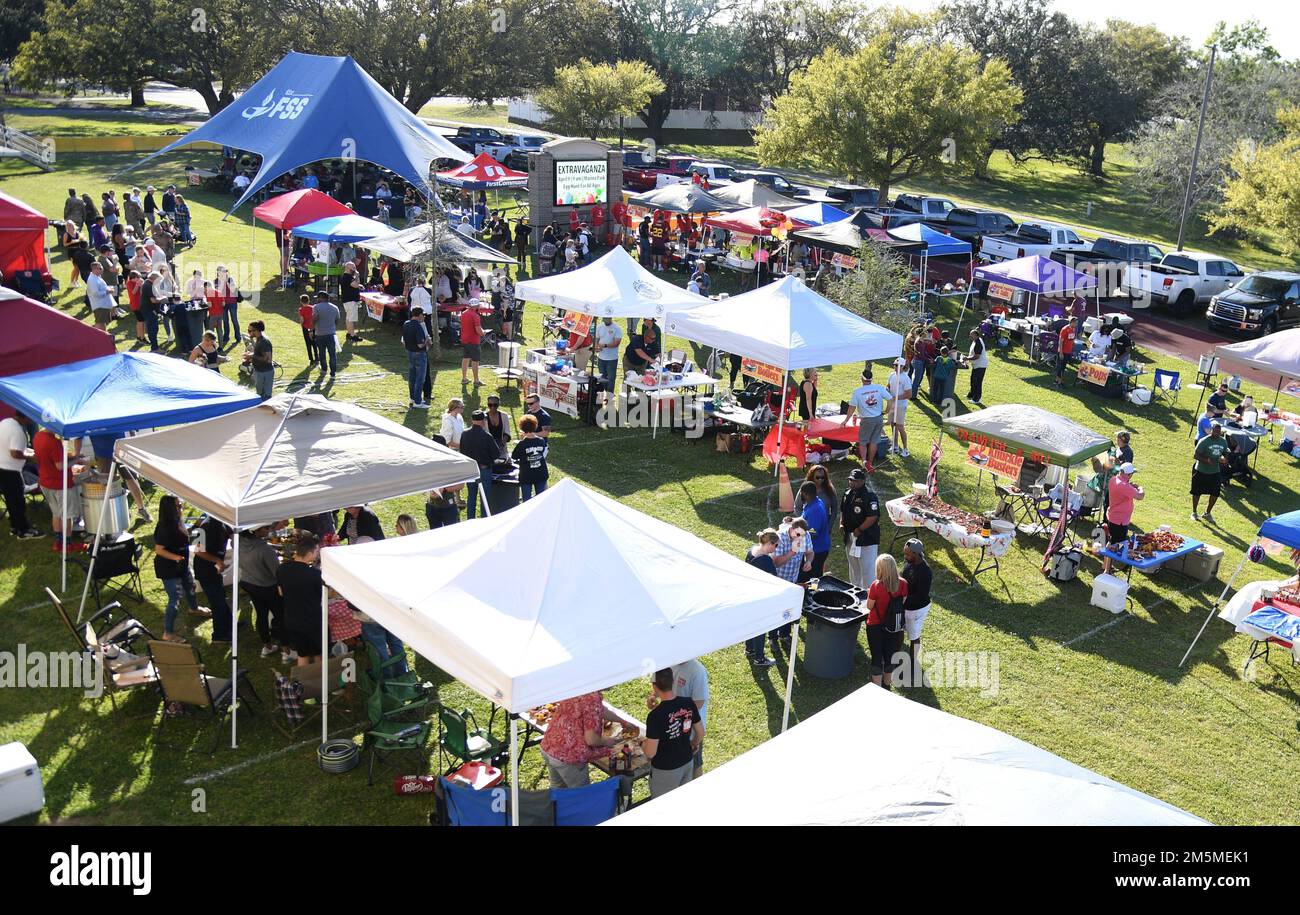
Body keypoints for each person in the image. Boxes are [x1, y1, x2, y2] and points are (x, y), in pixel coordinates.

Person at [539, 690, 634, 788]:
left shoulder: (583, 688)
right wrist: (606, 741)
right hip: (569, 756)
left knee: (558, 792)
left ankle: (556, 803)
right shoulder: (592, 698)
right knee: (581, 796)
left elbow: (599, 709)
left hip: (550, 745)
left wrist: (622, 721)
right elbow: (591, 740)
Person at [153, 495, 209, 641]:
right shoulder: (165, 527)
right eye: (178, 506)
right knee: (175, 598)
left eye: (181, 505)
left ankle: (194, 608)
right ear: (170, 509)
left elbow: (183, 536)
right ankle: (168, 633)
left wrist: (196, 526)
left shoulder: (178, 520)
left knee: (190, 586)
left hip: (181, 565)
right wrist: (176, 557)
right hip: (169, 568)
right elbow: (159, 550)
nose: (181, 508)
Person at [642, 667, 704, 799]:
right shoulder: (688, 703)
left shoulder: (655, 716)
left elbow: (650, 752)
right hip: (687, 762)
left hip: (665, 769)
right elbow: (700, 732)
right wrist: (692, 744)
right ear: (673, 681)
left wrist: (642, 743)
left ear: (654, 686)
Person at [238, 527, 290, 660]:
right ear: (255, 531)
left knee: (261, 615)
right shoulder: (265, 549)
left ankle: (267, 646)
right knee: (280, 616)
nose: (268, 530)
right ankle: (286, 651)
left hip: (248, 583)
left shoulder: (237, 540)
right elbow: (277, 572)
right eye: (265, 528)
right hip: (267, 586)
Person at [34, 427, 85, 553]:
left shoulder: (37, 437)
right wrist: (75, 460)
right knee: (67, 516)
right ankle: (67, 544)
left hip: (45, 482)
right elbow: (60, 466)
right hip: (60, 484)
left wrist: (68, 456)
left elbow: (48, 457)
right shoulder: (54, 442)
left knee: (56, 513)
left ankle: (58, 542)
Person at [276, 533, 323, 666]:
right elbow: (323, 596)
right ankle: (319, 682)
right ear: (310, 553)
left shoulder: (282, 569)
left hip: (292, 619)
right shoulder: (314, 574)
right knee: (318, 654)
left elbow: (280, 592)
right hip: (312, 621)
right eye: (316, 552)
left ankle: (302, 685)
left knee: (302, 655)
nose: (317, 555)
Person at [864, 553, 908, 689]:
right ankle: (887, 685)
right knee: (890, 656)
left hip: (875, 626)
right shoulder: (903, 584)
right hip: (894, 626)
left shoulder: (876, 586)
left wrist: (869, 593)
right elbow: (903, 602)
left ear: (880, 569)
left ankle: (877, 688)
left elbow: (869, 606)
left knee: (877, 657)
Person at [662, 659, 709, 780]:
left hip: (691, 729)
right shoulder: (669, 662)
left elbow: (699, 702)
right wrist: (654, 695)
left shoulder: (698, 671)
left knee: (695, 764)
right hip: (672, 726)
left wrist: (675, 711)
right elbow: (663, 685)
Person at [742, 529, 781, 667]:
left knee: (750, 623)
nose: (775, 549)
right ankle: (759, 658)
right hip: (760, 597)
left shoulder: (751, 550)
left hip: (748, 595)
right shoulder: (765, 560)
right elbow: (776, 581)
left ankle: (749, 649)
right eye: (775, 545)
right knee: (760, 626)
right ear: (770, 543)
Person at [1, 411, 41, 539]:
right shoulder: (18, 431)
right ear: (26, 417)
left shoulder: (5, 422)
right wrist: (30, 457)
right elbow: (15, 453)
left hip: (2, 467)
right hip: (10, 470)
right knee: (17, 501)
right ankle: (23, 530)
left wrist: (29, 451)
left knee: (10, 500)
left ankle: (14, 526)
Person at [193, 514, 233, 642]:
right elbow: (198, 550)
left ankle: (229, 624)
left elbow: (232, 535)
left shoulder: (225, 521)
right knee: (217, 602)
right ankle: (219, 635)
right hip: (205, 570)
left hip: (214, 569)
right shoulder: (205, 525)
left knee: (221, 597)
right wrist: (217, 561)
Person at [843, 367, 889, 473]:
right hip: (878, 418)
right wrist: (886, 411)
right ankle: (870, 462)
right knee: (874, 441)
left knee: (863, 442)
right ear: (871, 379)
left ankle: (864, 462)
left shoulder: (858, 392)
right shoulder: (879, 388)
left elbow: (852, 407)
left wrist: (846, 420)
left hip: (867, 419)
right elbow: (890, 399)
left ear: (862, 379)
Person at [840, 467, 880, 588]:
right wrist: (841, 523)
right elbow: (843, 510)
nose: (852, 482)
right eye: (851, 480)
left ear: (863, 481)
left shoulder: (869, 496)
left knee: (868, 569)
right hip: (850, 535)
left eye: (855, 481)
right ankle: (855, 590)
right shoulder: (847, 493)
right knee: (853, 566)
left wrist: (860, 529)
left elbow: (873, 516)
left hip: (866, 538)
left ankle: (869, 594)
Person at [1102, 463, 1145, 574]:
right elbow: (1140, 496)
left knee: (1112, 541)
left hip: (1113, 516)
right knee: (1115, 545)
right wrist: (1140, 488)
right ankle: (1107, 570)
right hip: (1119, 521)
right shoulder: (1125, 487)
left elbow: (1123, 487)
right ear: (1129, 474)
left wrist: (1130, 485)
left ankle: (1105, 566)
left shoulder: (1113, 479)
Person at [459, 410, 498, 519]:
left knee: (471, 496)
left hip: (471, 470)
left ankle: (470, 519)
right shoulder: (487, 436)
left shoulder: (464, 434)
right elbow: (496, 454)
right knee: (485, 498)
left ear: (472, 420)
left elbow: (462, 451)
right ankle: (484, 520)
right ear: (483, 421)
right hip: (484, 470)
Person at [900, 538, 931, 667]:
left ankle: (913, 662)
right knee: (899, 628)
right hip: (905, 605)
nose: (905, 556)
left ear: (916, 554)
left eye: (907, 554)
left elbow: (921, 595)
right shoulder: (908, 563)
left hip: (917, 609)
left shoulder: (925, 572)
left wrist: (903, 599)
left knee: (914, 635)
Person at [1191, 421, 1230, 523]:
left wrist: (1224, 458)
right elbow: (1196, 455)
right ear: (1211, 430)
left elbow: (1225, 452)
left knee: (1215, 493)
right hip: (1201, 470)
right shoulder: (1204, 441)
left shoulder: (1223, 441)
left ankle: (1207, 513)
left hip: (1215, 471)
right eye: (1215, 431)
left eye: (1219, 431)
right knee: (1196, 492)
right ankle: (1194, 512)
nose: (1217, 433)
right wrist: (1207, 460)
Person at [511, 414, 549, 500]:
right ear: (535, 426)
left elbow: (514, 456)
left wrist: (522, 440)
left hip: (526, 475)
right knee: (540, 500)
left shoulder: (522, 444)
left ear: (522, 428)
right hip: (540, 473)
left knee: (527, 502)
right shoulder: (541, 441)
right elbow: (542, 451)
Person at [796, 482, 829, 579]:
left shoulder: (815, 510)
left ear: (805, 494)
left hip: (817, 550)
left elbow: (813, 532)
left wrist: (796, 533)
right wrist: (794, 521)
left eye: (801, 493)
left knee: (809, 580)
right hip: (819, 548)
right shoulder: (816, 502)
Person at [402, 305, 431, 409]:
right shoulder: (418, 326)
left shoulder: (406, 324)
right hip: (419, 354)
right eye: (423, 315)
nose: (423, 317)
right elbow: (420, 344)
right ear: (419, 315)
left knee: (412, 377)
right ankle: (418, 402)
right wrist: (427, 341)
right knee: (420, 378)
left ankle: (412, 398)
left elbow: (404, 341)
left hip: (410, 353)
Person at [884, 357, 912, 458]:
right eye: (895, 365)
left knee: (900, 426)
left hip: (900, 405)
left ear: (903, 366)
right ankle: (895, 445)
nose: (895, 367)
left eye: (898, 365)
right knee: (892, 424)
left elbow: (909, 394)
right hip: (892, 404)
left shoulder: (905, 378)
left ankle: (905, 449)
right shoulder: (891, 375)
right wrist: (887, 389)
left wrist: (896, 398)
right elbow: (888, 386)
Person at [593, 316, 623, 401]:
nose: (606, 320)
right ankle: (604, 394)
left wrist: (605, 345)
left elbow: (617, 343)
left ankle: (610, 395)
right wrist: (596, 346)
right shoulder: (599, 327)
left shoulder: (617, 328)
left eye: (608, 319)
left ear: (611, 318)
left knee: (611, 378)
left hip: (612, 358)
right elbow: (597, 339)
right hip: (601, 357)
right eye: (604, 319)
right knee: (602, 377)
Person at [311, 292, 340, 379]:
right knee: (332, 354)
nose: (317, 300)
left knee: (322, 353)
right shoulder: (335, 308)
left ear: (321, 298)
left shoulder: (316, 307)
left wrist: (311, 330)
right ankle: (333, 373)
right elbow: (337, 321)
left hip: (320, 334)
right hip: (331, 334)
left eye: (318, 298)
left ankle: (324, 369)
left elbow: (314, 319)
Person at [246, 321, 275, 400]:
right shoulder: (259, 339)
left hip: (265, 373)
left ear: (256, 330)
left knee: (265, 397)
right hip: (260, 371)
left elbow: (268, 359)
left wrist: (252, 356)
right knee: (260, 395)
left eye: (250, 331)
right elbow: (261, 355)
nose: (248, 333)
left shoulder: (263, 342)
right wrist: (251, 356)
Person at [86, 261, 116, 332]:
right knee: (100, 322)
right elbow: (95, 293)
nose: (102, 269)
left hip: (103, 304)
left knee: (102, 322)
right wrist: (107, 291)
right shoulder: (92, 280)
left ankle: (102, 336)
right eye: (100, 268)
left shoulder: (97, 277)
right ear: (94, 269)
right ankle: (99, 337)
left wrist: (108, 288)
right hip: (99, 305)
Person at [459, 304, 483, 386]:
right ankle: (476, 380)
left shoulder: (464, 313)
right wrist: (483, 333)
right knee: (475, 361)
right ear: (475, 306)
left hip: (465, 340)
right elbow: (478, 330)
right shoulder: (475, 315)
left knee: (465, 358)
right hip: (473, 341)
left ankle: (464, 378)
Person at [966, 329, 989, 404]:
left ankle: (976, 399)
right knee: (973, 380)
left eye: (971, 335)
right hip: (976, 365)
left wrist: (967, 358)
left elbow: (977, 356)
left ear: (976, 335)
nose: (970, 337)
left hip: (980, 365)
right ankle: (971, 395)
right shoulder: (975, 340)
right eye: (970, 335)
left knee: (977, 382)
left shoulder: (978, 343)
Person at [1055, 316, 1077, 385]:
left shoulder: (1073, 329)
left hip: (1068, 351)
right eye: (1075, 323)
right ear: (1072, 322)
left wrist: (1073, 346)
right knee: (1061, 367)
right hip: (1063, 351)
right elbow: (1060, 341)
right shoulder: (1065, 329)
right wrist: (1061, 352)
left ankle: (1056, 380)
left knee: (1063, 367)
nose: (1076, 324)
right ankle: (1059, 382)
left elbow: (1072, 339)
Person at [296, 294, 316, 362]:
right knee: (314, 342)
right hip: (313, 327)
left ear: (301, 302)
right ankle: (317, 357)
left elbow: (302, 319)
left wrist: (301, 324)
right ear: (309, 301)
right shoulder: (313, 308)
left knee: (308, 344)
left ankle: (311, 359)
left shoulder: (301, 309)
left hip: (305, 328)